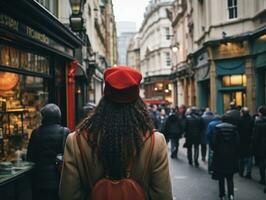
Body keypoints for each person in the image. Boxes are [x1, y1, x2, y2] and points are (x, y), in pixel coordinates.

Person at [59, 66, 173, 200]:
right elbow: (162, 195)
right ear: (138, 99)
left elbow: (68, 195)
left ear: (104, 96)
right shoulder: (156, 142)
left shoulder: (75, 141)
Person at [27, 103, 69, 200]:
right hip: (59, 180)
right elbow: (68, 157)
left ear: (44, 117)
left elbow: (30, 156)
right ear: (58, 116)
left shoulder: (36, 132)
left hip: (39, 181)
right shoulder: (64, 132)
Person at [211, 115, 239, 200]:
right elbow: (237, 143)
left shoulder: (217, 128)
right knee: (230, 177)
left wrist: (215, 150)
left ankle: (222, 194)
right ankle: (231, 195)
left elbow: (214, 143)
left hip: (220, 155)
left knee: (221, 177)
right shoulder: (234, 129)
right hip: (231, 155)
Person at [238, 107, 254, 179]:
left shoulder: (239, 120)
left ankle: (241, 171)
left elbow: (237, 131)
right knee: (249, 157)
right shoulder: (252, 120)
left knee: (241, 157)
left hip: (241, 141)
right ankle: (248, 172)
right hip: (249, 141)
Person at [253, 105, 266, 193]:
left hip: (262, 147)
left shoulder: (258, 124)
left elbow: (256, 137)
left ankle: (263, 179)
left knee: (262, 163)